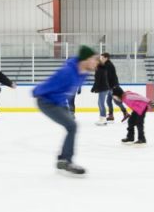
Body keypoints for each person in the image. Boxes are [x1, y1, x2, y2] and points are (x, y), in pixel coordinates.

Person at [32, 45, 99, 175]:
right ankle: (66, 160)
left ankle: (62, 159)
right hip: (46, 102)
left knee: (71, 126)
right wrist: (36, 92)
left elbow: (66, 91)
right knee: (72, 126)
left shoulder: (83, 73)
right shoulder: (67, 72)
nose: (96, 62)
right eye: (94, 59)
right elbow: (50, 83)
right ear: (85, 60)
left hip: (60, 103)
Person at [102, 53, 129, 121]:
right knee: (108, 101)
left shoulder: (109, 65)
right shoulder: (107, 64)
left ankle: (125, 113)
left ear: (106, 58)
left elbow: (109, 77)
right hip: (111, 86)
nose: (101, 59)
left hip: (113, 86)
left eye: (102, 58)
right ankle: (111, 115)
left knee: (117, 101)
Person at [91, 55, 113, 125]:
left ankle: (103, 119)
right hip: (103, 88)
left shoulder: (100, 69)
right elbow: (98, 80)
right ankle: (101, 118)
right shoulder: (101, 68)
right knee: (100, 103)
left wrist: (93, 88)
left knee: (101, 103)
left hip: (103, 88)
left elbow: (98, 80)